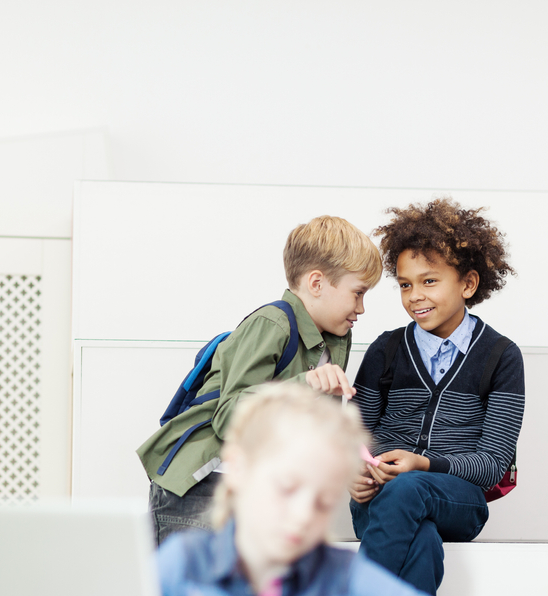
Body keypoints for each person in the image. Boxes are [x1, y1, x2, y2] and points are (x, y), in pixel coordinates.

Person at [155, 383, 496, 596]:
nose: (304, 515)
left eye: (323, 502)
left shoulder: (345, 579)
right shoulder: (182, 563)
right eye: (287, 488)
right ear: (239, 468)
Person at [137, 215, 383, 545]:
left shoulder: (335, 342)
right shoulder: (273, 324)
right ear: (316, 284)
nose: (362, 308)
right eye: (357, 293)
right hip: (202, 488)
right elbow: (229, 419)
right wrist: (307, 383)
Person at [349, 197, 525, 596]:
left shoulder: (500, 357)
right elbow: (353, 436)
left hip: (458, 501)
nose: (415, 296)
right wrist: (354, 474)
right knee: (422, 542)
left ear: (468, 283)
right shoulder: (385, 350)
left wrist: (423, 464)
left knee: (411, 487)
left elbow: (492, 466)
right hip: (379, 502)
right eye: (405, 284)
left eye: (429, 281)